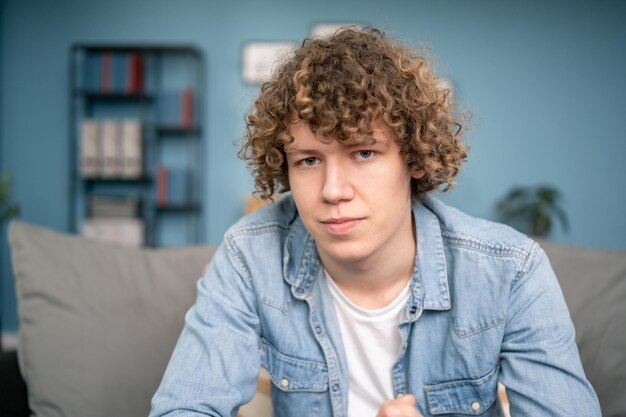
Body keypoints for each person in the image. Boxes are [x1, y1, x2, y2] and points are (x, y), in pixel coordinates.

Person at [150, 27, 600, 417]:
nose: (332, 190)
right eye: (308, 160)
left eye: (364, 153)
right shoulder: (249, 255)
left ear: (414, 159)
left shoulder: (510, 271)